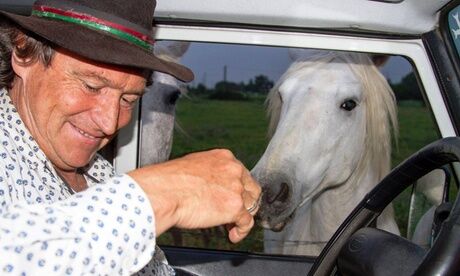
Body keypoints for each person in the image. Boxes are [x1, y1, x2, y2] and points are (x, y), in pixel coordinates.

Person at [0, 0, 262, 275]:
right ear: (23, 53)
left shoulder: (97, 172)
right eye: (92, 86)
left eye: (128, 99)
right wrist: (159, 195)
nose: (109, 122)